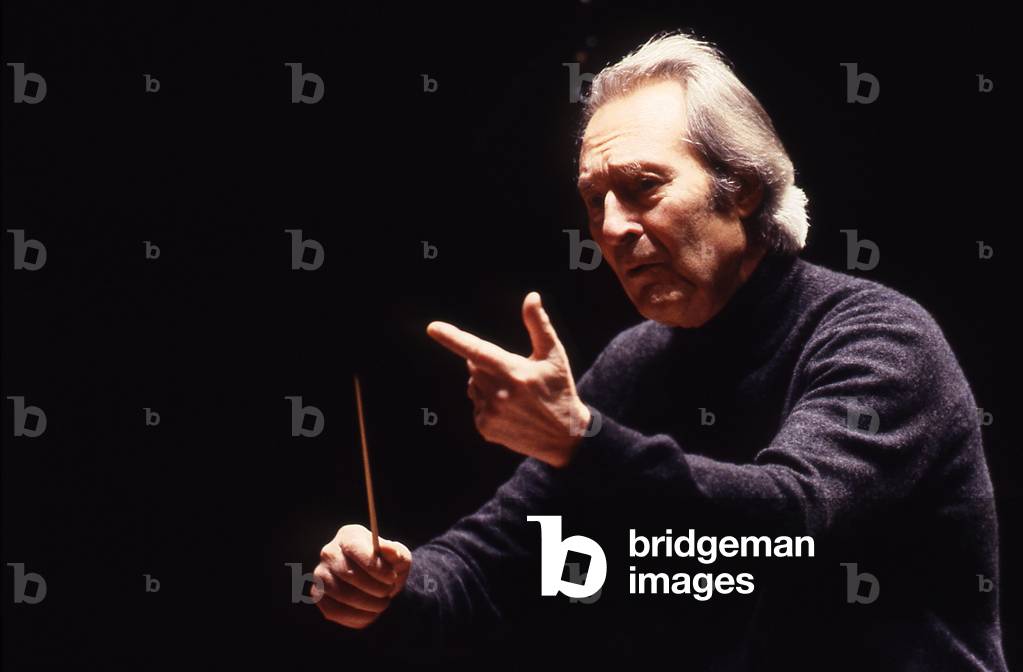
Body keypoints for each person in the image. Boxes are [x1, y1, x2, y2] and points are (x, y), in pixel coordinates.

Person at [310, 32, 1008, 670]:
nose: (611, 228)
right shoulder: (636, 363)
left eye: (644, 187)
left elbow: (784, 522)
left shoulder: (878, 337)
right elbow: (496, 559)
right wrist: (390, 583)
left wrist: (582, 441)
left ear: (743, 189)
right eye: (593, 201)